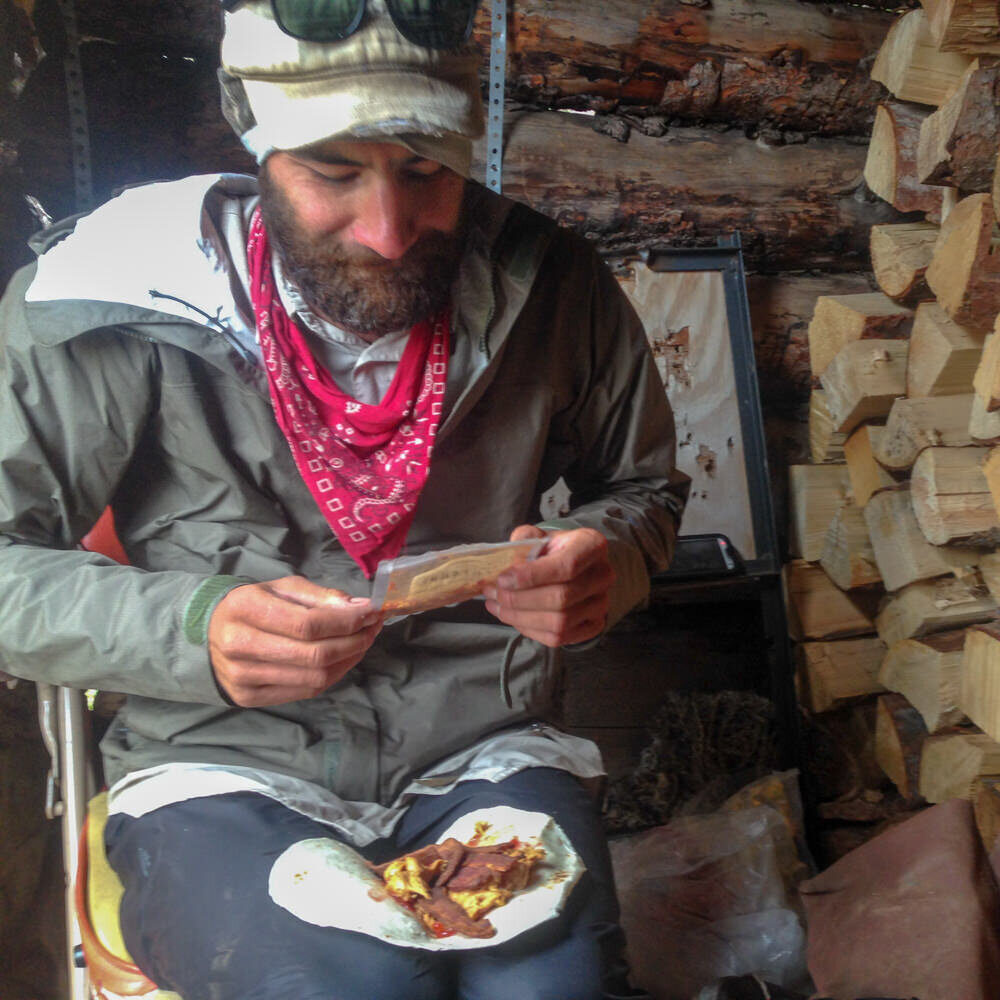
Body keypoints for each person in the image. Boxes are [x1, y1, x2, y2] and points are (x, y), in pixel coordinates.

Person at [0, 1, 689, 997]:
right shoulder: (117, 298)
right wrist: (193, 627)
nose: (386, 228)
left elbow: (642, 489)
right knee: (345, 984)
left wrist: (606, 560)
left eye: (425, 171)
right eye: (330, 171)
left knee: (550, 988)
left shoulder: (550, 284)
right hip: (222, 761)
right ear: (254, 137)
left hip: (483, 746)